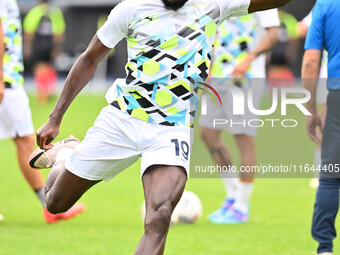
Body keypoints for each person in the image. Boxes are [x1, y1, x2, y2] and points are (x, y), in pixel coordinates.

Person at [30, 0, 294, 254]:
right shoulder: (130, 8)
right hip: (122, 119)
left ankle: (238, 201)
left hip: (173, 129)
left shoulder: (214, 4)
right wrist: (55, 117)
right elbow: (89, 59)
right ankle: (67, 154)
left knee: (159, 217)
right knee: (55, 202)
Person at [0, 0, 84, 223]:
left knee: (24, 140)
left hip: (10, 78)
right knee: (26, 139)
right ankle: (48, 206)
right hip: (7, 81)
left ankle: (48, 206)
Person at [200, 9, 280, 224]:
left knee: (243, 139)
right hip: (218, 76)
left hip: (246, 78)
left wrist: (248, 60)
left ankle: (242, 206)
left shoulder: (265, 3)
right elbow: (215, 30)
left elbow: (273, 34)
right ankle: (233, 194)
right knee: (208, 134)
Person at [302, 0, 340, 254]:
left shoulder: (326, 4)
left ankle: (324, 247)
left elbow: (310, 61)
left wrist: (311, 108)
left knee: (330, 175)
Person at [298, 8, 328, 189]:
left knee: (326, 125)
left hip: (333, 74)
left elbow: (302, 29)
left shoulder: (327, 5)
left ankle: (323, 174)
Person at [23, 0, 65, 105]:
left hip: (38, 43)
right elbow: (59, 31)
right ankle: (48, 90)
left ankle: (42, 94)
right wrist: (57, 47)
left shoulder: (35, 11)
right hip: (50, 44)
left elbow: (29, 31)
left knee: (39, 67)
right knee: (48, 66)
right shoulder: (55, 12)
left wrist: (27, 46)